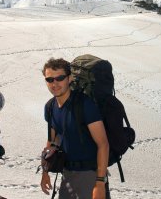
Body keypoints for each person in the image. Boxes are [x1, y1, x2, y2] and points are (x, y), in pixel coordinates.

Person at [40, 58, 110, 199]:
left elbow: (103, 144)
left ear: (69, 78)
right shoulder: (50, 107)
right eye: (49, 79)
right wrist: (45, 172)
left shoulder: (85, 105)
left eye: (59, 78)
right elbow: (52, 142)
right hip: (67, 175)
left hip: (89, 175)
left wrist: (100, 183)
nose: (55, 83)